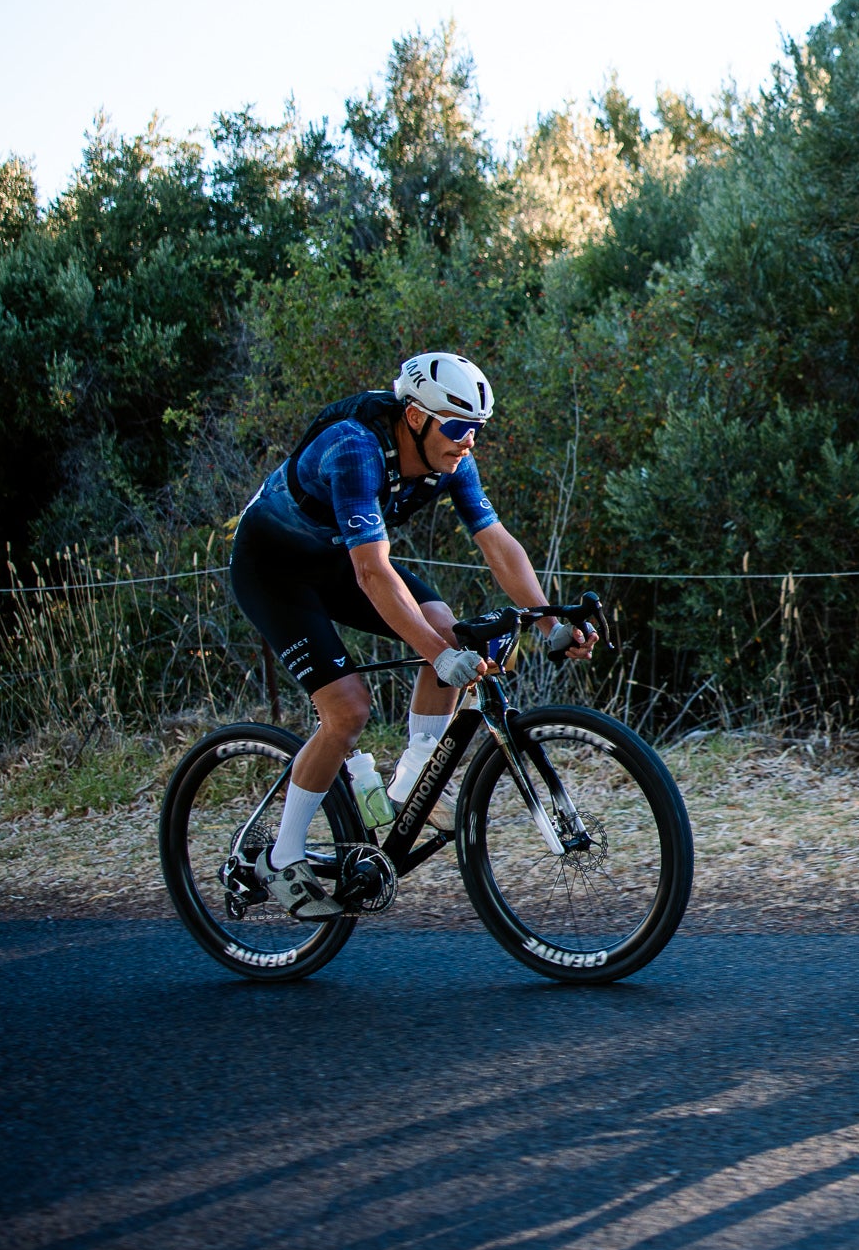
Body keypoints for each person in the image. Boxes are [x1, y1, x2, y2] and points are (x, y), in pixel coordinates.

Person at [229, 351, 593, 919]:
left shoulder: (453, 459)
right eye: (457, 426)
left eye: (476, 428)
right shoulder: (355, 448)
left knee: (451, 631)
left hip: (337, 562)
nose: (468, 440)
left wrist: (550, 621)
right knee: (348, 710)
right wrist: (439, 655)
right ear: (417, 417)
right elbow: (373, 573)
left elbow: (497, 545)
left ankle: (409, 785)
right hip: (274, 570)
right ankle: (282, 856)